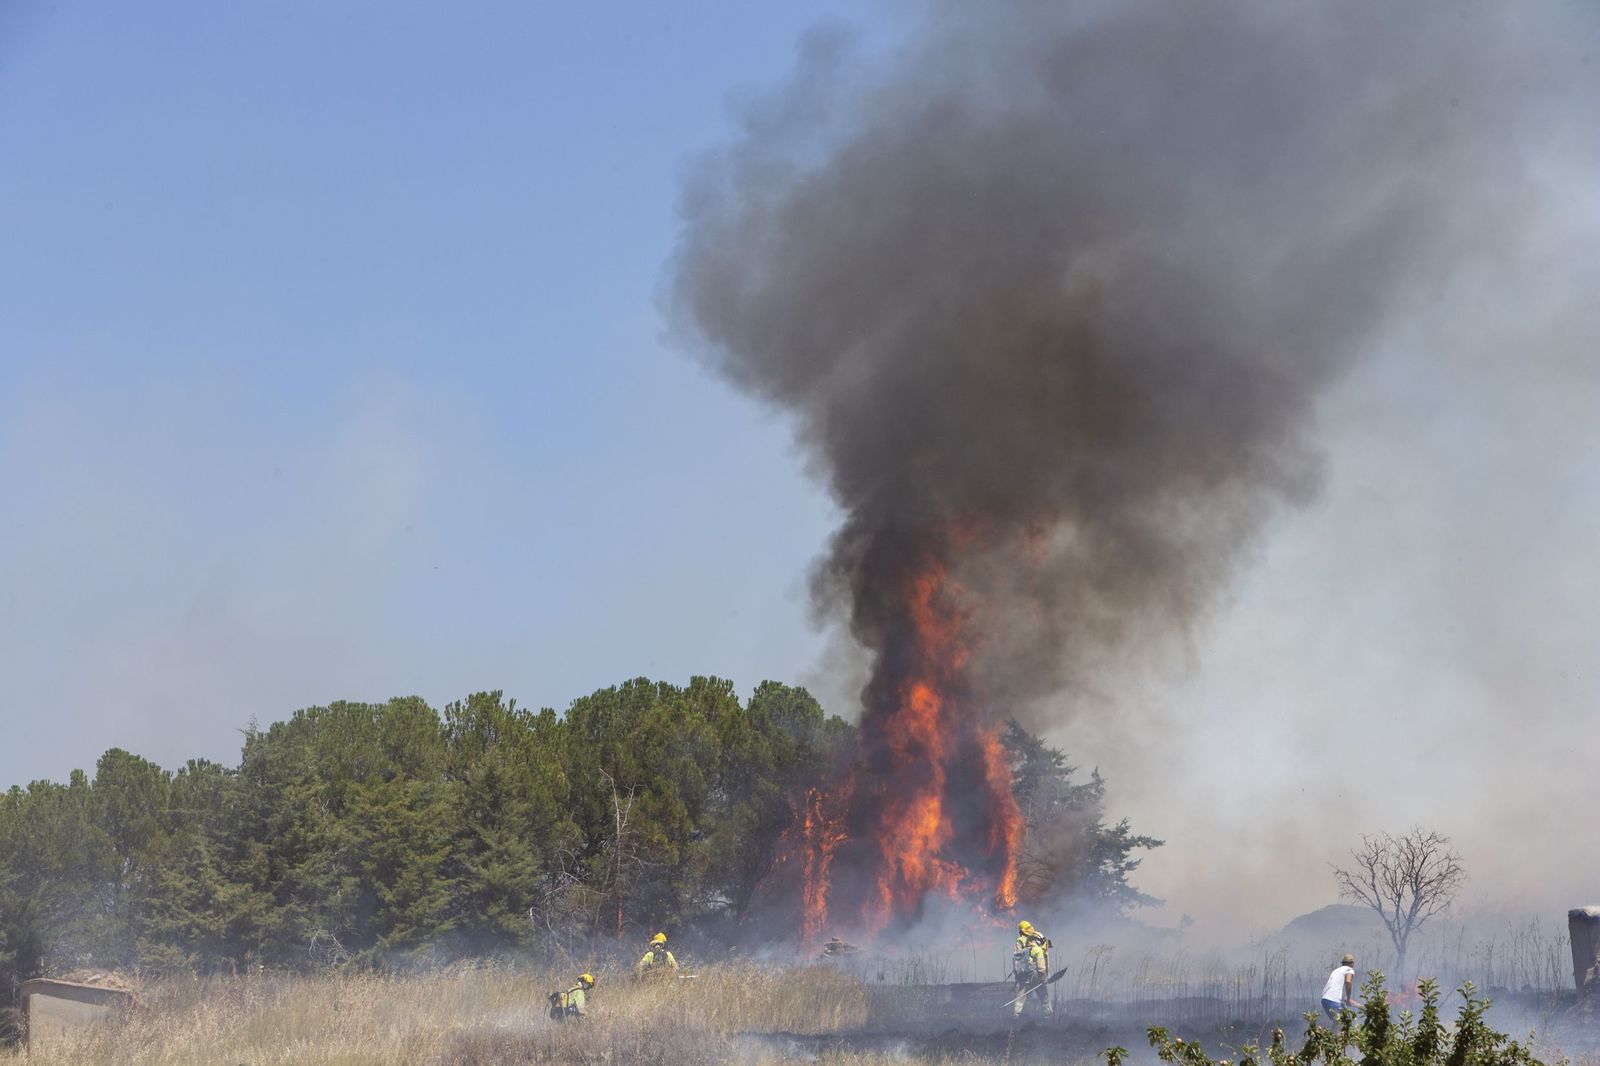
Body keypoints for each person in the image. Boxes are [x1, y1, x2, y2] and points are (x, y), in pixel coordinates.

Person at [1012, 920, 1053, 1017]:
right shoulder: (1038, 949)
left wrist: (1017, 974)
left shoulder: (1021, 942)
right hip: (1036, 974)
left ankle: (1016, 1016)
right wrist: (1043, 977)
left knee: (1020, 996)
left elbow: (1016, 957)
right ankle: (1048, 1015)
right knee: (1044, 995)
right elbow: (1041, 965)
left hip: (1024, 974)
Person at [1320, 954, 1357, 1023]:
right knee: (1344, 1021)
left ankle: (1332, 1033)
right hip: (1333, 1000)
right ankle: (1336, 1033)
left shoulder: (1336, 971)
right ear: (1351, 963)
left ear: (1342, 963)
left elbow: (1335, 988)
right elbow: (1348, 982)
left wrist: (1347, 999)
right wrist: (1349, 998)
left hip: (1325, 1000)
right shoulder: (1349, 969)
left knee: (1338, 1022)